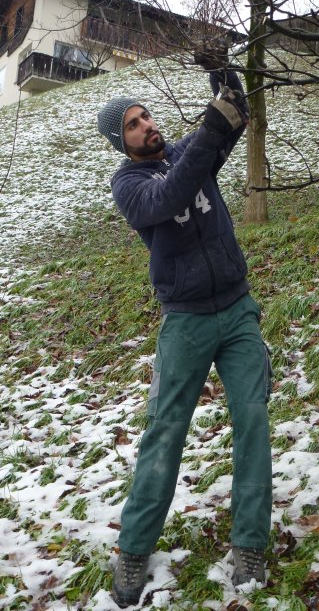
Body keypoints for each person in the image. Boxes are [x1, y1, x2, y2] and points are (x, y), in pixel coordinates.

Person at [97, 48, 272, 608]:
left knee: (253, 421)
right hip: (187, 322)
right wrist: (209, 130)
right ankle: (133, 548)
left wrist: (222, 75)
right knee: (165, 434)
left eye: (146, 116)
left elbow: (230, 122)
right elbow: (173, 192)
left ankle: (249, 543)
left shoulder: (183, 154)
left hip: (238, 310)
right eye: (133, 123)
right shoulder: (129, 186)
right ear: (120, 140)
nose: (146, 125)